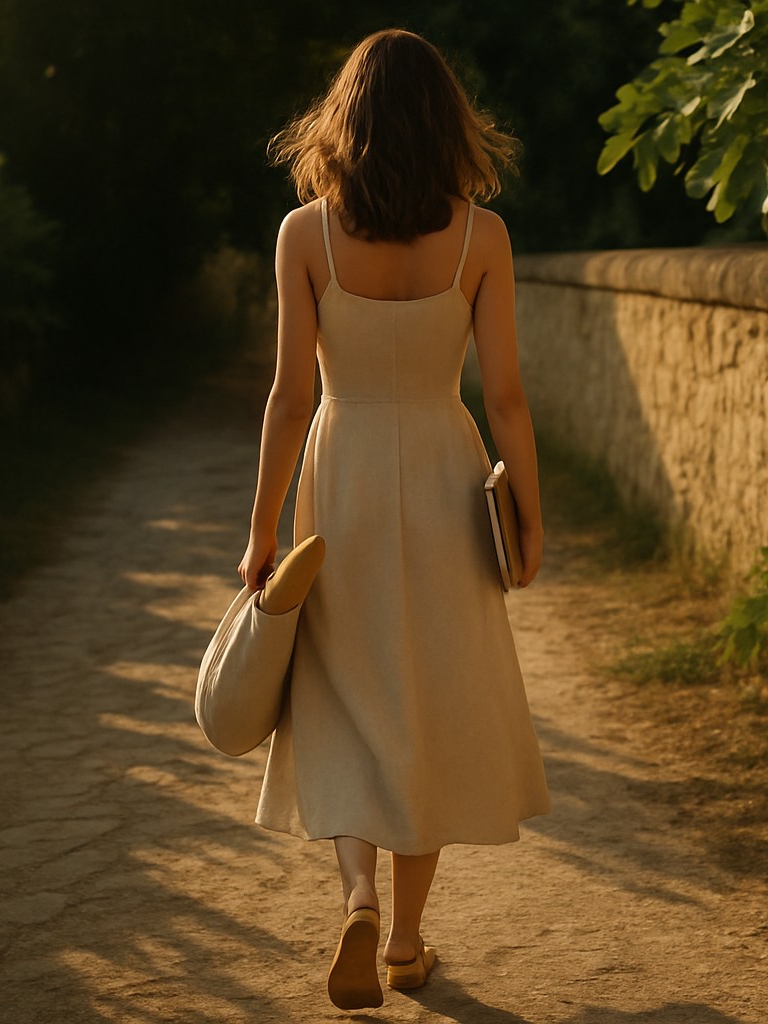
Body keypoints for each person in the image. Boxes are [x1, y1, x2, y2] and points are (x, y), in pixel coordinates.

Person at [236, 28, 552, 1011]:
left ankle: (359, 898)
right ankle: (407, 943)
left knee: (342, 694)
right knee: (431, 703)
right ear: (445, 121)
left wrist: (262, 531)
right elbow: (507, 397)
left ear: (345, 121)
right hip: (447, 472)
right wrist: (529, 517)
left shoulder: (304, 236)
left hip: (344, 476)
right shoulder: (483, 238)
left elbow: (290, 397)